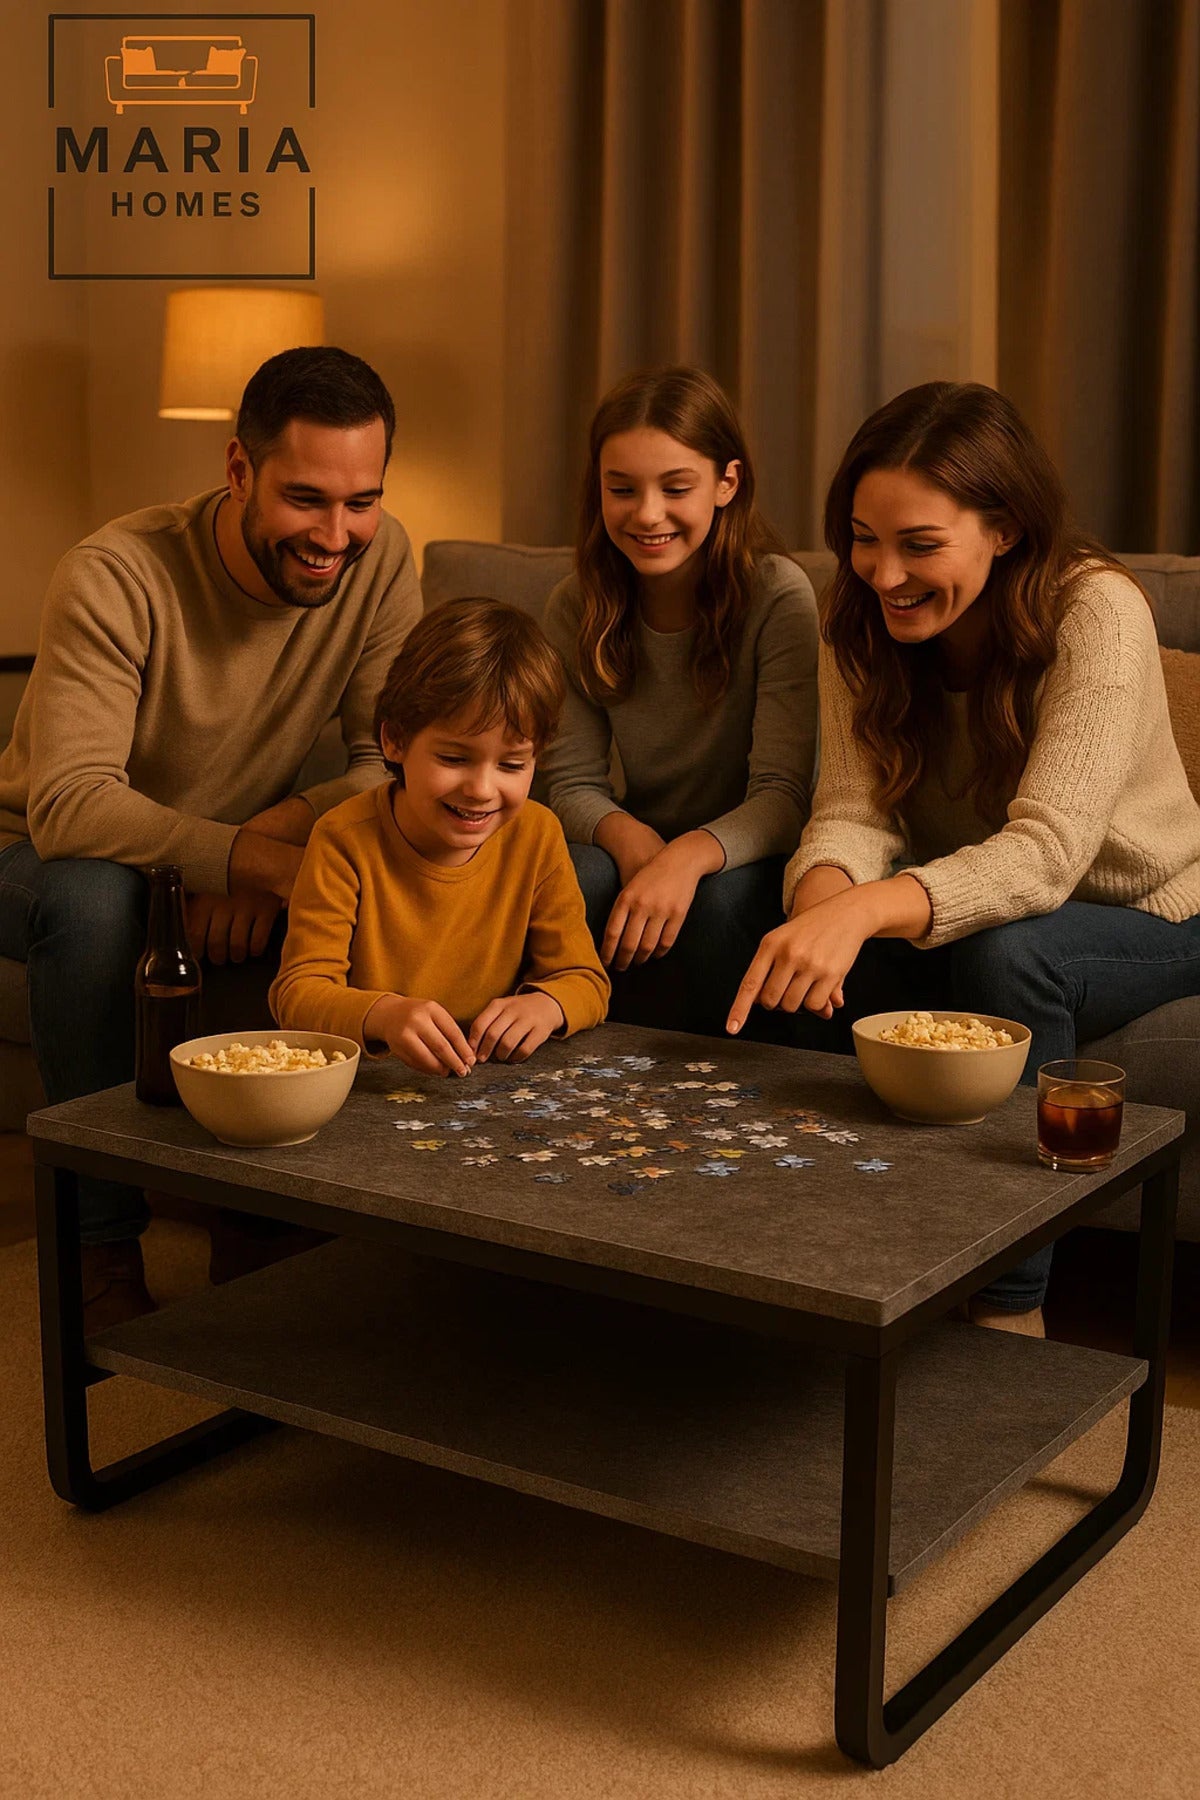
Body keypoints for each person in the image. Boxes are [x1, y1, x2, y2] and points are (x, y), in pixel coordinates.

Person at [727, 380, 1200, 1333]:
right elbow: (852, 810)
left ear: (1006, 530)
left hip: (1150, 905)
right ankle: (802, 1256)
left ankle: (1010, 1307)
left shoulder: (1097, 610)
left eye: (919, 545)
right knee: (738, 911)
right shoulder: (852, 615)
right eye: (863, 537)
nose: (881, 572)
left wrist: (862, 912)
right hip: (963, 892)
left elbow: (1047, 856)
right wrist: (821, 903)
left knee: (1008, 955)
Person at [0, 346, 423, 1328]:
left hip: (210, 852)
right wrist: (253, 860)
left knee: (371, 872)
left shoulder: (385, 557)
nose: (337, 534)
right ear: (239, 470)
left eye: (361, 501)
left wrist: (265, 840)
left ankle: (259, 1217)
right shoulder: (117, 572)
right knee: (101, 899)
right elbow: (70, 805)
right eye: (307, 498)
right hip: (41, 856)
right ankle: (98, 1243)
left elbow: (387, 761)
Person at [537, 365, 818, 1039]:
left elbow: (784, 794)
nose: (647, 514)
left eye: (676, 487)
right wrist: (634, 844)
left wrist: (687, 857)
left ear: (728, 483)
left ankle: (733, 1088)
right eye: (622, 489)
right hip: (641, 838)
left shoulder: (778, 596)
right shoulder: (576, 605)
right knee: (571, 872)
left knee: (719, 904)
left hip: (747, 850)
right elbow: (566, 782)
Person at [270, 598, 610, 1068]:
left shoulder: (538, 834)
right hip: (371, 1091)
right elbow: (298, 994)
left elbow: (585, 980)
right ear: (394, 740)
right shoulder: (343, 838)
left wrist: (547, 1006)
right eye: (454, 759)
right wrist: (383, 1014)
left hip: (489, 1088)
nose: (482, 789)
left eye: (512, 765)